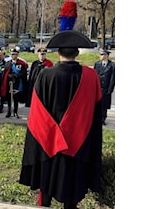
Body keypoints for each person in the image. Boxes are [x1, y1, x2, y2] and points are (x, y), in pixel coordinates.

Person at [19, 30, 103, 209]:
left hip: (49, 144)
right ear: (78, 53)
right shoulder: (91, 77)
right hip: (79, 144)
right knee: (72, 190)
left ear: (58, 53)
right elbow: (97, 113)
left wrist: (53, 136)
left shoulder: (45, 75)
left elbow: (37, 112)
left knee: (47, 183)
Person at [1, 48, 28, 118]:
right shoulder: (8, 63)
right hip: (9, 84)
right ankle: (9, 112)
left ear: (17, 55)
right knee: (9, 99)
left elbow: (24, 73)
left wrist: (17, 75)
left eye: (15, 54)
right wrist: (9, 76)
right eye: (12, 54)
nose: (13, 56)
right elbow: (4, 74)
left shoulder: (21, 64)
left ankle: (15, 112)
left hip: (17, 84)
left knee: (16, 99)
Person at [94, 49, 115, 125]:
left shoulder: (112, 65)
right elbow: (94, 75)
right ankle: (97, 118)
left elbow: (113, 78)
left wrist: (110, 89)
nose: (101, 56)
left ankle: (103, 119)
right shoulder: (97, 64)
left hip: (106, 87)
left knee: (104, 105)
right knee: (97, 104)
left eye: (103, 55)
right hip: (98, 87)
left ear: (106, 56)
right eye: (100, 55)